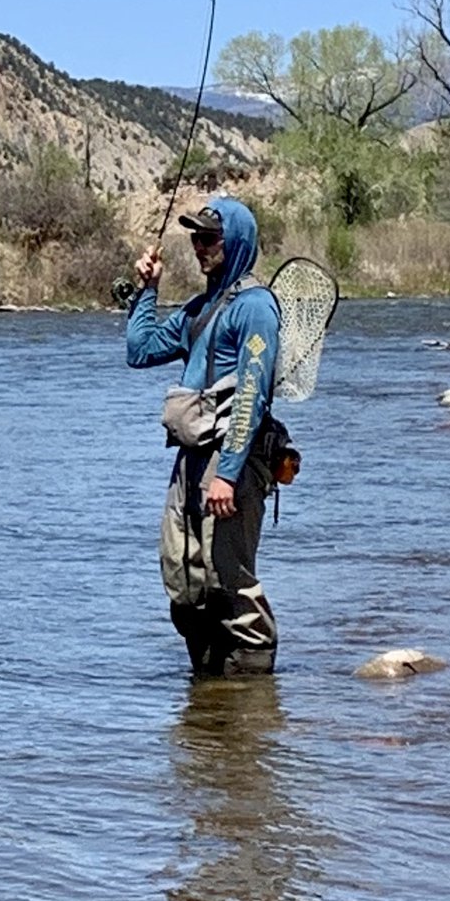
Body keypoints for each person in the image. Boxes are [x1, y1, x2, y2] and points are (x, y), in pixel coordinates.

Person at [124, 196, 286, 676]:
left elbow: (253, 392)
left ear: (234, 242)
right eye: (194, 237)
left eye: (209, 238)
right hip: (190, 458)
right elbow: (139, 350)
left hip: (231, 460)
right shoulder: (199, 309)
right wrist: (148, 291)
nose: (199, 246)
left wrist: (229, 475)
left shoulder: (256, 307)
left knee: (227, 578)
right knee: (183, 578)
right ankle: (209, 704)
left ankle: (250, 704)